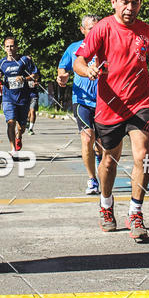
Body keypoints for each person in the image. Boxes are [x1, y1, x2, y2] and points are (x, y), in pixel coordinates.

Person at [73, 0, 149, 241]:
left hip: (141, 103)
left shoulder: (146, 31)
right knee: (110, 161)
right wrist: (87, 70)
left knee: (142, 155)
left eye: (135, 2)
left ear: (140, 4)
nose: (129, 7)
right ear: (114, 2)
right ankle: (106, 204)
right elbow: (79, 60)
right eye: (124, 1)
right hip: (110, 106)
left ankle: (135, 212)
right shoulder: (102, 29)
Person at [57, 14, 103, 195]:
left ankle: (102, 173)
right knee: (87, 137)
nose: (95, 32)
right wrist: (63, 77)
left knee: (101, 145)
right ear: (83, 30)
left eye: (98, 28)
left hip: (104, 102)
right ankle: (92, 179)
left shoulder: (107, 47)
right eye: (91, 29)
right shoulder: (74, 48)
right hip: (81, 101)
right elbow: (63, 68)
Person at [0, 36, 39, 153]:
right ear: (4, 48)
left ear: (16, 47)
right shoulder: (2, 62)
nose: (9, 49)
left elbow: (35, 75)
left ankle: (19, 136)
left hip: (23, 98)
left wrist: (24, 79)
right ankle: (12, 149)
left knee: (21, 127)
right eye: (7, 46)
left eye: (12, 46)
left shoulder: (24, 60)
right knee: (10, 122)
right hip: (8, 97)